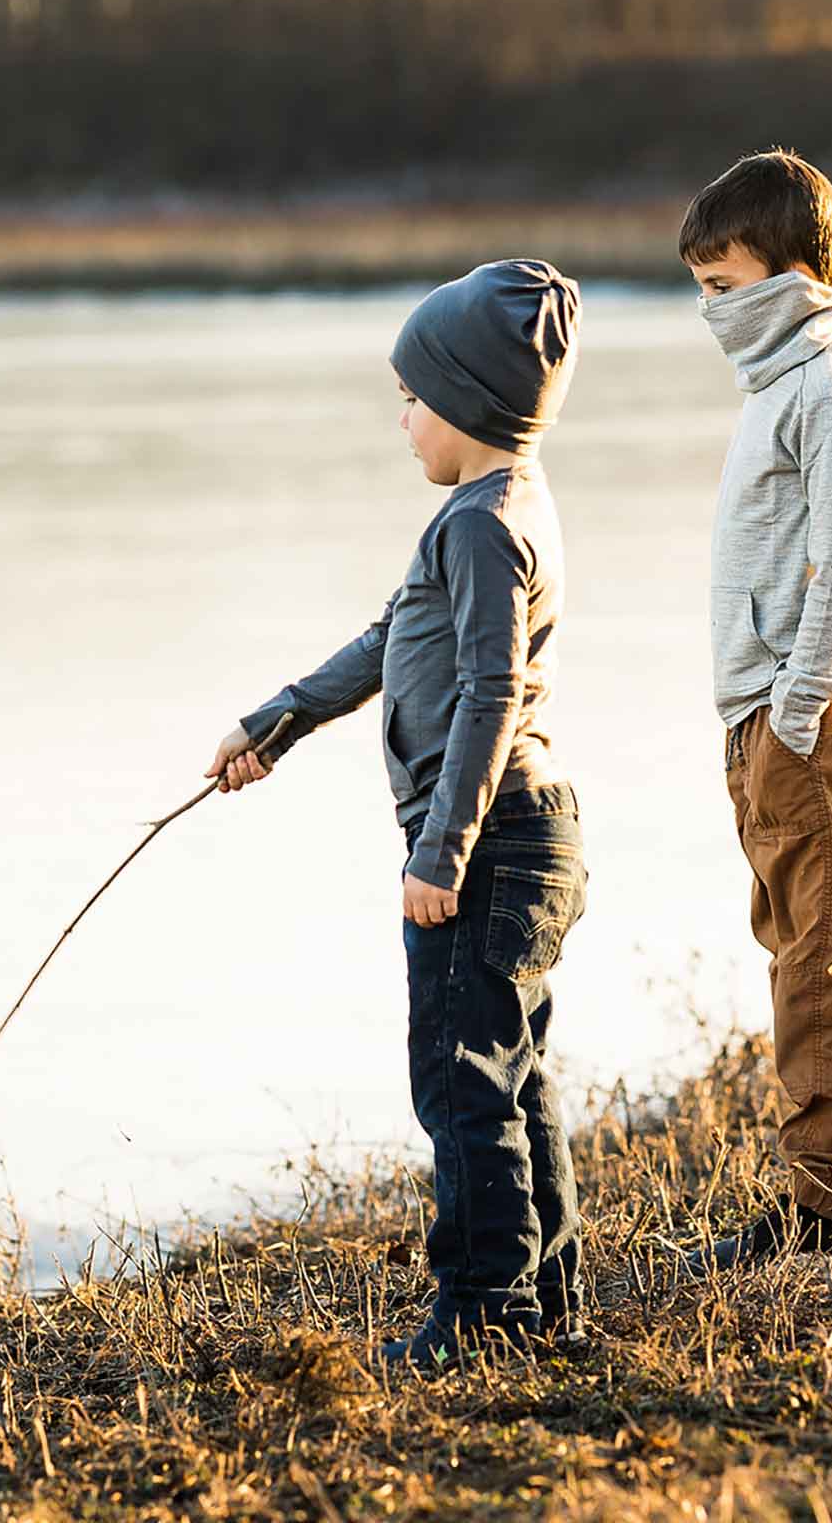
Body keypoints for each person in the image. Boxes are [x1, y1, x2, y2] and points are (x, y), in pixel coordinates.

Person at [204, 260, 588, 1370]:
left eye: (413, 399)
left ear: (468, 404)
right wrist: (277, 722)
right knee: (510, 1073)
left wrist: (442, 849)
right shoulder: (500, 508)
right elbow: (389, 642)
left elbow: (490, 692)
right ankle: (542, 1295)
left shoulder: (479, 527)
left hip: (491, 838)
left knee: (462, 1081)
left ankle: (483, 1312)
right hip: (531, 828)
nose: (403, 420)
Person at [678, 149, 832, 1266]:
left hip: (807, 716)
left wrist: (798, 711)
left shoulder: (826, 390)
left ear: (799, 276)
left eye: (725, 287)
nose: (710, 311)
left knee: (821, 951)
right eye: (702, 291)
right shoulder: (777, 388)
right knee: (805, 939)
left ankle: (824, 1208)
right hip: (765, 717)